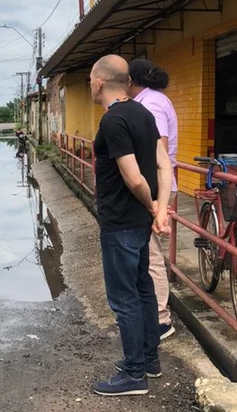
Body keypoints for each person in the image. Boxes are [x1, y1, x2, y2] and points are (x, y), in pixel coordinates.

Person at [89, 55, 173, 396]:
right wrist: (161, 210)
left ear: (98, 83)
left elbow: (134, 178)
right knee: (143, 290)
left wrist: (154, 206)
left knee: (124, 299)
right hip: (138, 222)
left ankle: (134, 375)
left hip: (120, 222)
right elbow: (163, 165)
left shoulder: (113, 122)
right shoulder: (142, 112)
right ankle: (148, 360)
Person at [128, 58, 178, 341]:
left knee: (151, 255)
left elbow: (159, 153)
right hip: (157, 185)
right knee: (147, 253)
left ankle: (160, 319)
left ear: (131, 81)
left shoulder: (152, 105)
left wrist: (157, 201)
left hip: (156, 187)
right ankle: (154, 312)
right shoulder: (154, 100)